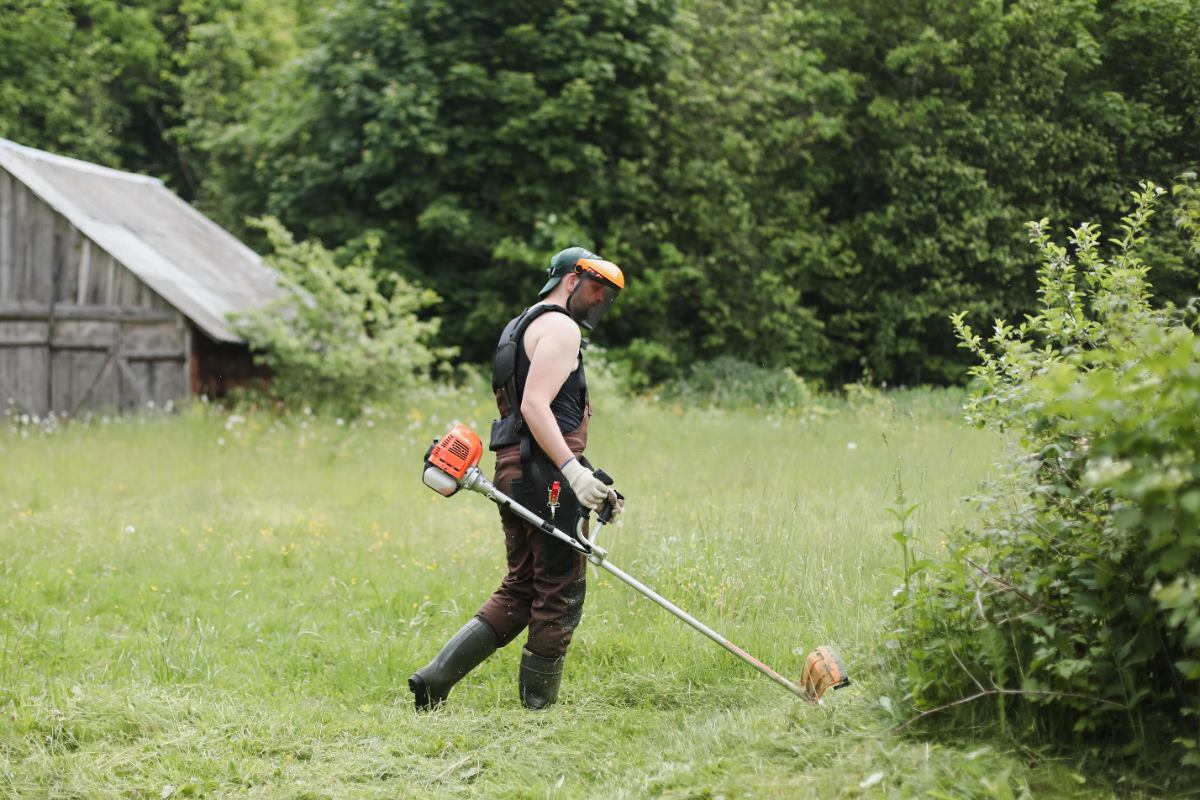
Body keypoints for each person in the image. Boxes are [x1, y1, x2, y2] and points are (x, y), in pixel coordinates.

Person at [409, 246, 626, 710]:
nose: (599, 301)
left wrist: (586, 477)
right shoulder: (562, 327)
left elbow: (530, 417)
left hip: (514, 469)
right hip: (546, 473)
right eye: (595, 289)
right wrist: (572, 471)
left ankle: (434, 679)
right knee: (560, 588)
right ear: (571, 280)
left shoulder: (520, 326)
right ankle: (537, 713)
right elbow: (534, 407)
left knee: (524, 585)